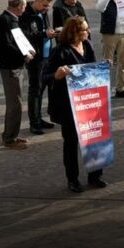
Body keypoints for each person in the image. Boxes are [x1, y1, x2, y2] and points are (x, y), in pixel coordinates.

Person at [44, 16, 106, 192]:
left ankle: (95, 176)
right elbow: (45, 76)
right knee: (71, 143)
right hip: (69, 106)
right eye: (85, 29)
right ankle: (72, 179)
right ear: (74, 32)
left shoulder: (87, 45)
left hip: (90, 103)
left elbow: (93, 69)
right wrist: (57, 75)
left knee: (94, 139)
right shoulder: (60, 51)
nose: (88, 31)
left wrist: (103, 66)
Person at [0, 0, 33, 150]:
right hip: (10, 67)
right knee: (14, 105)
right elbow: (7, 45)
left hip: (15, 65)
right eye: (24, 7)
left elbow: (19, 40)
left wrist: (27, 49)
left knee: (16, 103)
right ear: (17, 6)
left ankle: (11, 135)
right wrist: (24, 55)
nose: (25, 9)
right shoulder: (5, 20)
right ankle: (9, 139)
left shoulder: (11, 19)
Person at [19, 0, 56, 135]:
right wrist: (44, 34)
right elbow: (24, 35)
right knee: (35, 89)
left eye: (48, 6)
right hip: (35, 58)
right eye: (44, 5)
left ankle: (39, 118)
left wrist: (51, 32)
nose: (46, 8)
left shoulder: (43, 12)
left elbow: (43, 30)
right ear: (37, 1)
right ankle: (34, 123)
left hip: (46, 56)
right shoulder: (26, 14)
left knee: (41, 89)